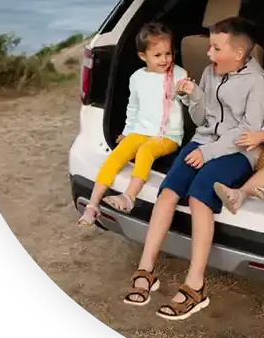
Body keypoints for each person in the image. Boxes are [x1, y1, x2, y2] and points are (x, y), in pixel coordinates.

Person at [122, 16, 264, 321]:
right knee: (168, 193)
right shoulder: (209, 72)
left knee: (200, 197)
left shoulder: (257, 84)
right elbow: (203, 119)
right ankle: (146, 269)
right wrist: (193, 95)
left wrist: (210, 152)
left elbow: (248, 131)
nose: (209, 53)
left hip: (236, 150)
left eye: (215, 48)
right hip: (202, 142)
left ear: (238, 55)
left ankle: (195, 285)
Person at [78, 22, 187, 227]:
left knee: (145, 151)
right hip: (141, 131)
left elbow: (188, 103)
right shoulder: (137, 78)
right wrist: (128, 132)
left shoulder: (178, 74)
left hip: (167, 136)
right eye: (157, 55)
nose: (165, 59)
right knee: (118, 154)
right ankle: (93, 204)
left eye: (168, 53)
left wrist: (186, 93)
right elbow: (133, 108)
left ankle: (129, 197)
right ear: (142, 56)